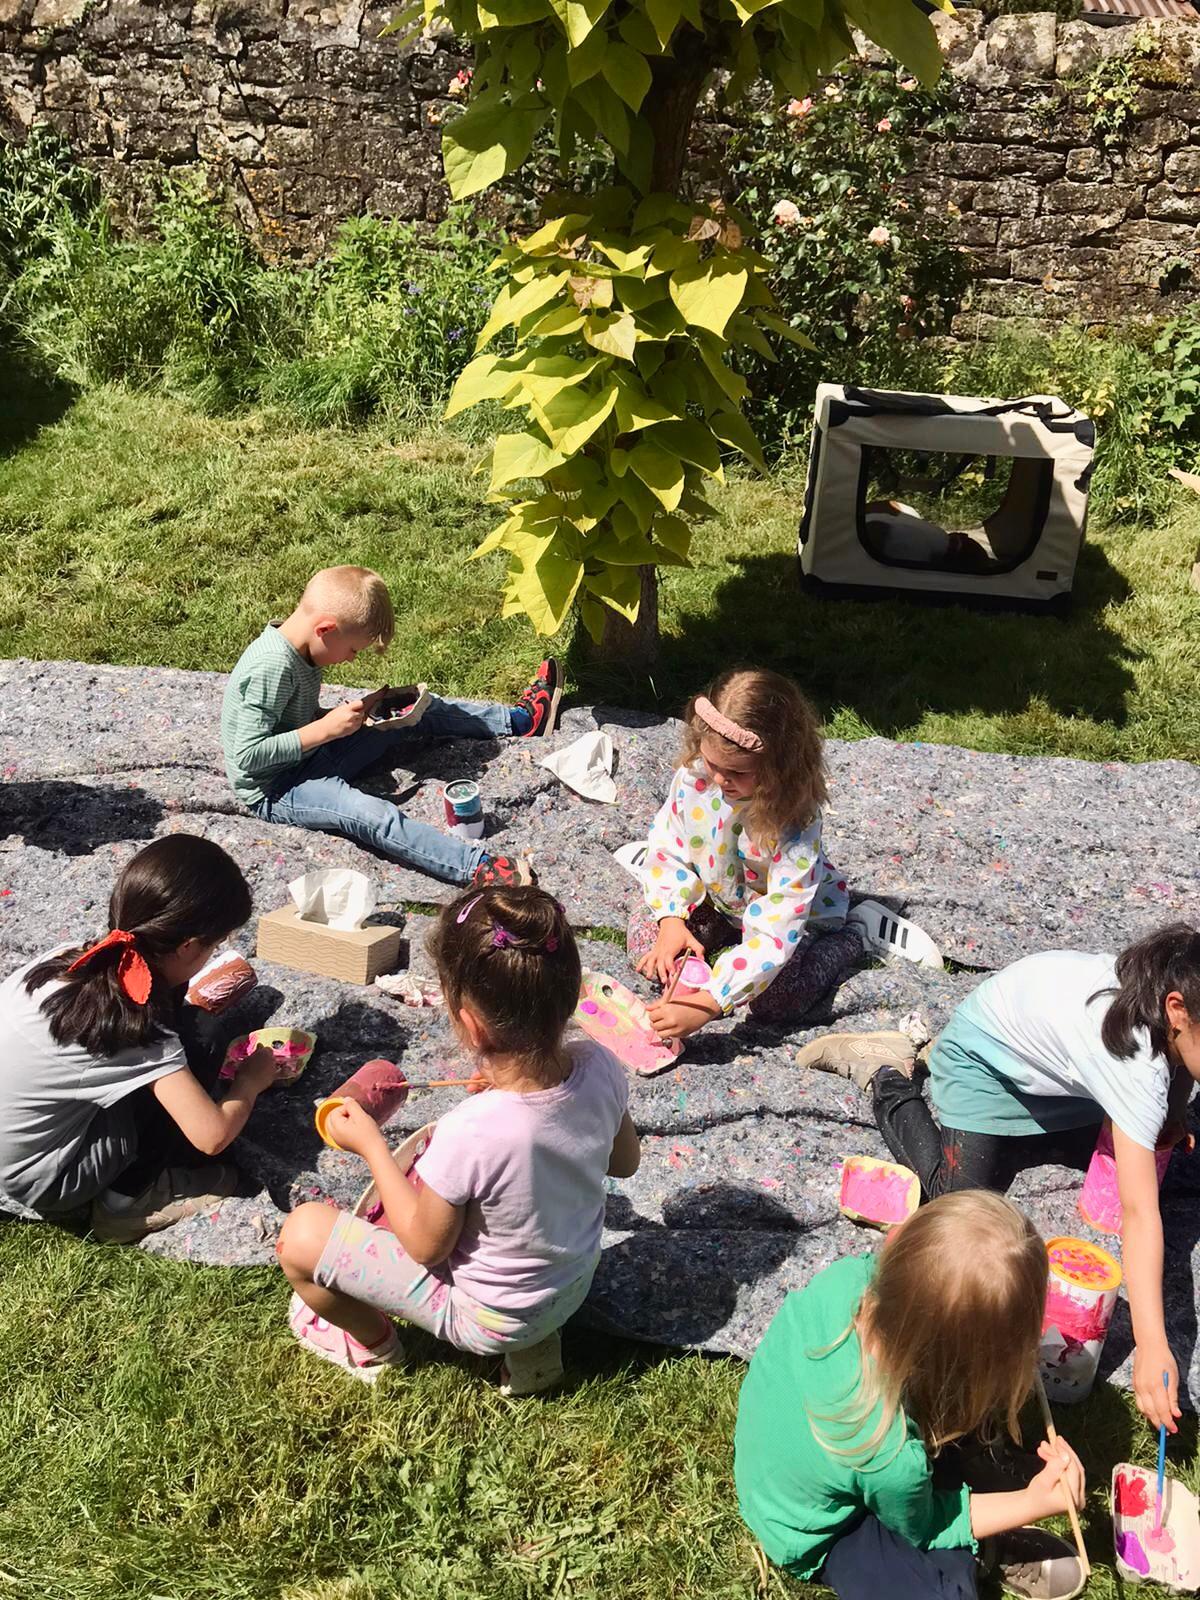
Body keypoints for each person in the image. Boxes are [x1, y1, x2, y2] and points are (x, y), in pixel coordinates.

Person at [797, 923, 1200, 1433]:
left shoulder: (1164, 995)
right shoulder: (1133, 1060)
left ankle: (1020, 1120)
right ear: (1176, 1010)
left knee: (1135, 1149)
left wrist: (1173, 1116)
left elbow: (1176, 1064)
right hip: (983, 1060)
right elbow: (1140, 1215)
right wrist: (1153, 1345)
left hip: (1053, 1074)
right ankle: (886, 1073)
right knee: (956, 1201)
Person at [276, 885, 640, 1394]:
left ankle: (373, 1346)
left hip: (489, 1317)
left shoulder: (470, 1130)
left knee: (301, 1237)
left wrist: (372, 1147)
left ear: (469, 1023)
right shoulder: (600, 1065)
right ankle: (534, 1351)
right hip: (571, 1284)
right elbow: (624, 1163)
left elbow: (425, 1247)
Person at [735, 1192, 1087, 1600]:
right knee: (943, 1592)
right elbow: (925, 1527)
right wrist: (1031, 1503)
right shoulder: (892, 1455)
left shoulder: (848, 1277)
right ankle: (982, 1549)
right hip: (812, 1528)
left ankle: (976, 1480)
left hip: (776, 1455)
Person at [0, 834, 281, 1242]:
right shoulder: (134, 1028)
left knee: (186, 1024)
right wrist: (250, 1082)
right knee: (201, 1039)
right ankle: (127, 1201)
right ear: (188, 946)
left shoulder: (70, 957)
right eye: (213, 946)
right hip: (46, 1178)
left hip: (16, 1139)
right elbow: (212, 1136)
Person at [220, 564, 562, 888]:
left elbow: (290, 719)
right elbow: (248, 756)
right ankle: (476, 867)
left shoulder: (306, 648)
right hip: (278, 788)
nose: (352, 658)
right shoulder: (272, 668)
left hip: (309, 753)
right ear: (325, 630)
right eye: (353, 649)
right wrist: (326, 729)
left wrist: (351, 715)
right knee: (369, 813)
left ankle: (518, 722)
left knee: (412, 710)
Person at [626, 666, 861, 1040]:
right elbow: (668, 844)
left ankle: (854, 936)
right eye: (713, 764)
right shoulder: (697, 777)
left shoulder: (794, 820)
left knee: (778, 1001)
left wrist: (710, 1002)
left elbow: (778, 924)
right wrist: (671, 920)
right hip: (724, 899)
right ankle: (710, 962)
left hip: (789, 917)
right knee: (646, 939)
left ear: (780, 767)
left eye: (738, 772)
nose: (721, 779)